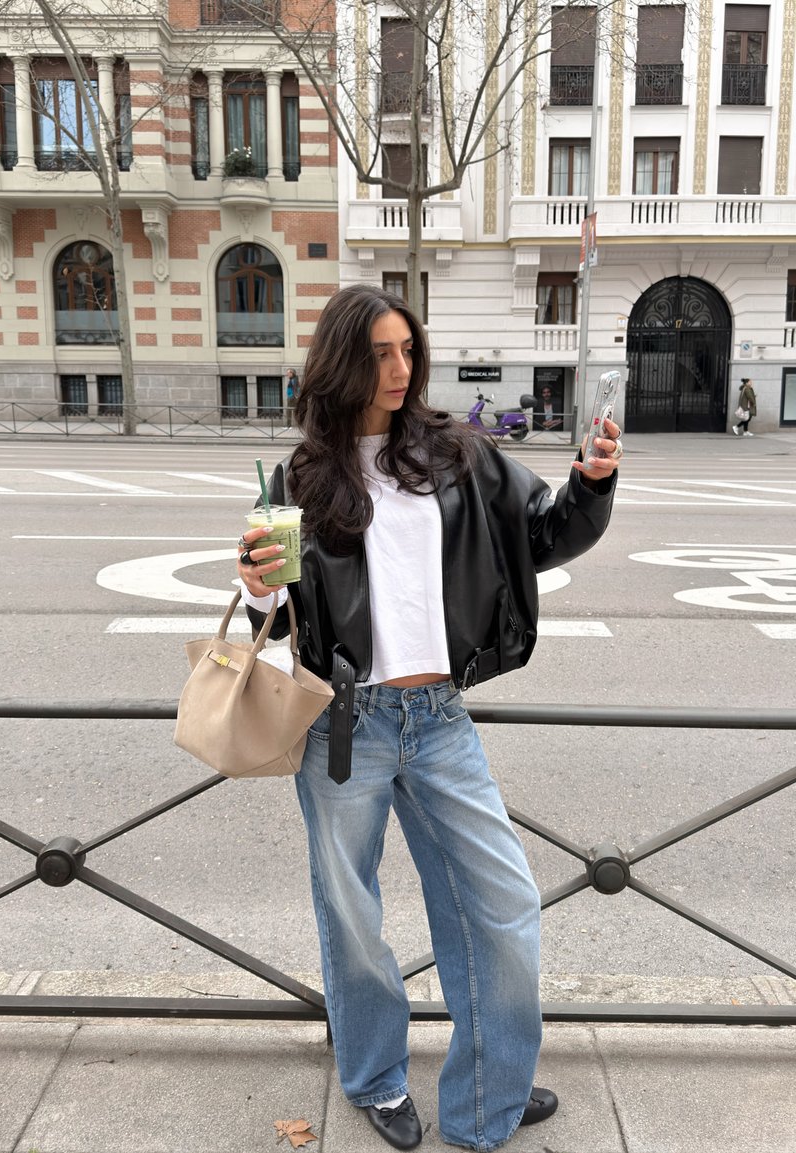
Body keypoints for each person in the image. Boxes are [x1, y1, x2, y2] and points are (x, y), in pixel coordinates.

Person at [236, 284, 622, 1152]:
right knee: (352, 913)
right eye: (379, 352)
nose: (400, 368)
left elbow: (548, 533)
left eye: (408, 348)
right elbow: (279, 599)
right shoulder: (303, 476)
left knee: (502, 901)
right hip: (346, 724)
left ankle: (490, 1083)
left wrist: (592, 483)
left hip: (439, 718)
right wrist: (254, 576)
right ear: (342, 361)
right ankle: (374, 1077)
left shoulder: (459, 455)